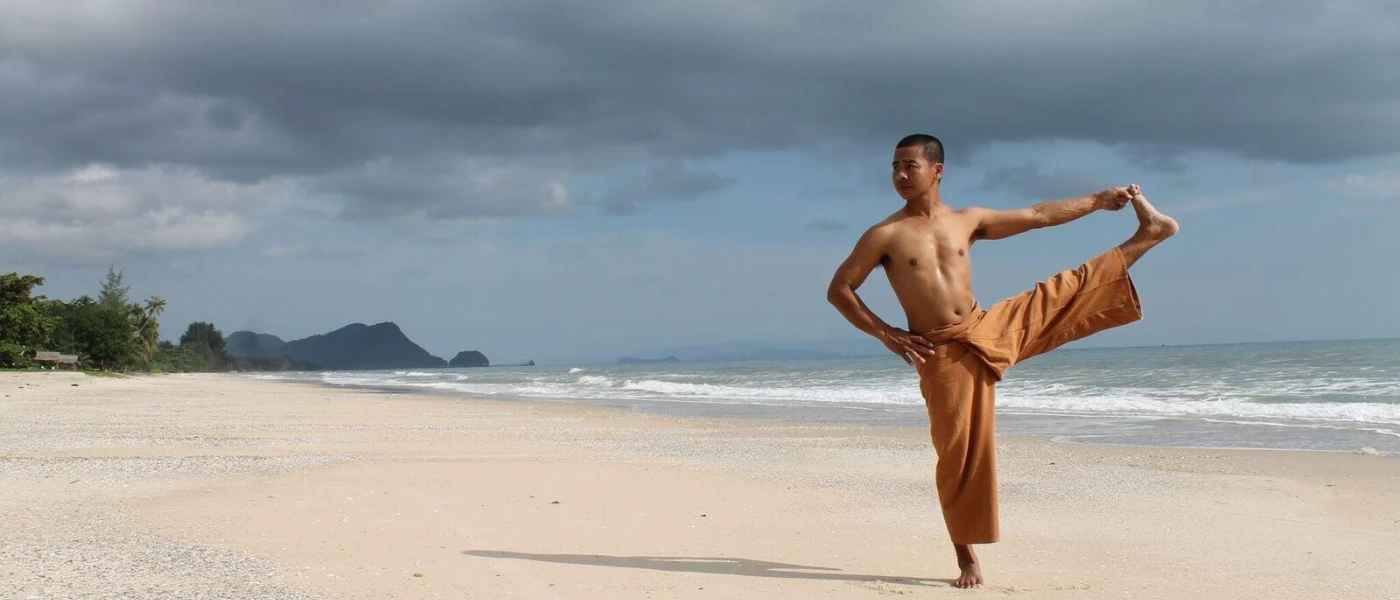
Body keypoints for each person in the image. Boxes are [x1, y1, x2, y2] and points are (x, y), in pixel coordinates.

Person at [826, 134, 1177, 588]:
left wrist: (1096, 201)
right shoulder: (884, 235)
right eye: (894, 167)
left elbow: (1035, 216)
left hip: (984, 327)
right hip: (940, 350)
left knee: (1059, 292)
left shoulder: (967, 220)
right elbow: (840, 289)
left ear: (937, 170)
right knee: (958, 452)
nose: (899, 175)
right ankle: (966, 557)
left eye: (909, 165)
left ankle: (1148, 235)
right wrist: (886, 332)